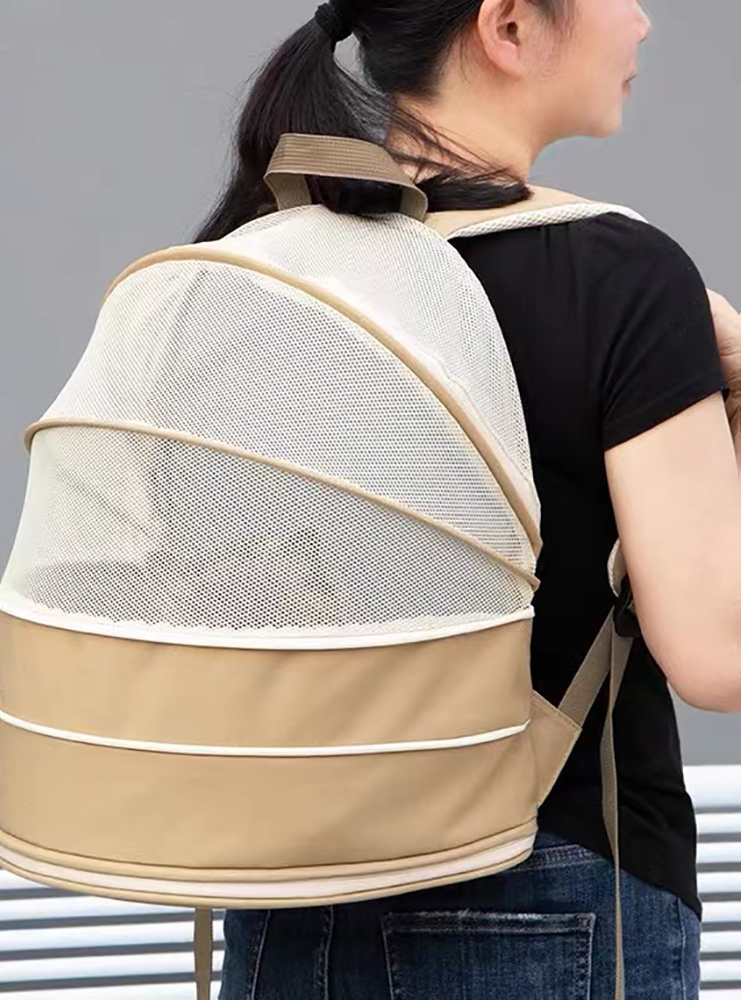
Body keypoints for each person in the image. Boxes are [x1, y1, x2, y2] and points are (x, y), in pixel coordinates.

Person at [192, 0, 741, 997]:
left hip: (290, 894)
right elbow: (719, 655)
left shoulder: (266, 265)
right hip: (552, 888)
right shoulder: (616, 277)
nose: (642, 22)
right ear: (508, 27)